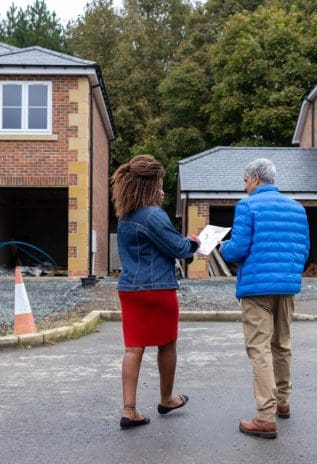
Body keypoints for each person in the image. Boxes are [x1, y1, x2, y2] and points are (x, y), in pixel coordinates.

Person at [220, 158, 309, 439]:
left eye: (245, 180)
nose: (245, 185)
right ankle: (282, 402)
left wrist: (221, 247)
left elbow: (238, 249)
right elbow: (304, 250)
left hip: (256, 288)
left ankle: (265, 416)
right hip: (287, 287)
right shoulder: (297, 208)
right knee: (282, 344)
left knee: (259, 348)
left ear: (256, 179)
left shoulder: (247, 206)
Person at [111, 154, 200, 430]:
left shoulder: (125, 217)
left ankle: (129, 410)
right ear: (150, 186)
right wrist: (194, 242)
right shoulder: (153, 215)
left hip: (130, 289)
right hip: (157, 289)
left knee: (133, 349)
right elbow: (180, 249)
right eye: (160, 185)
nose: (162, 191)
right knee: (167, 343)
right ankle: (166, 398)